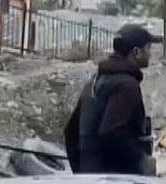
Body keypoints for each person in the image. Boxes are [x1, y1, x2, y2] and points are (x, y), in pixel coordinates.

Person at [64, 23, 160, 176]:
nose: (150, 54)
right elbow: (112, 132)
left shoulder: (96, 80)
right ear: (136, 52)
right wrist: (142, 159)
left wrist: (81, 170)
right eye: (148, 48)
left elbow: (70, 132)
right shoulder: (127, 86)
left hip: (89, 178)